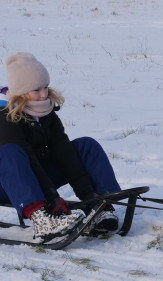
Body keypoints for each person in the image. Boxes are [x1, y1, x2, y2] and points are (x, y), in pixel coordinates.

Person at [0, 52, 122, 240]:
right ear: (21, 92)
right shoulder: (6, 116)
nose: (43, 94)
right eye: (36, 89)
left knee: (85, 146)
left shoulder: (45, 111)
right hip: (8, 183)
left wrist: (88, 195)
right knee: (11, 152)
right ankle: (41, 219)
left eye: (45, 87)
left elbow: (63, 152)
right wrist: (53, 200)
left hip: (35, 178)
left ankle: (100, 205)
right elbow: (28, 160)